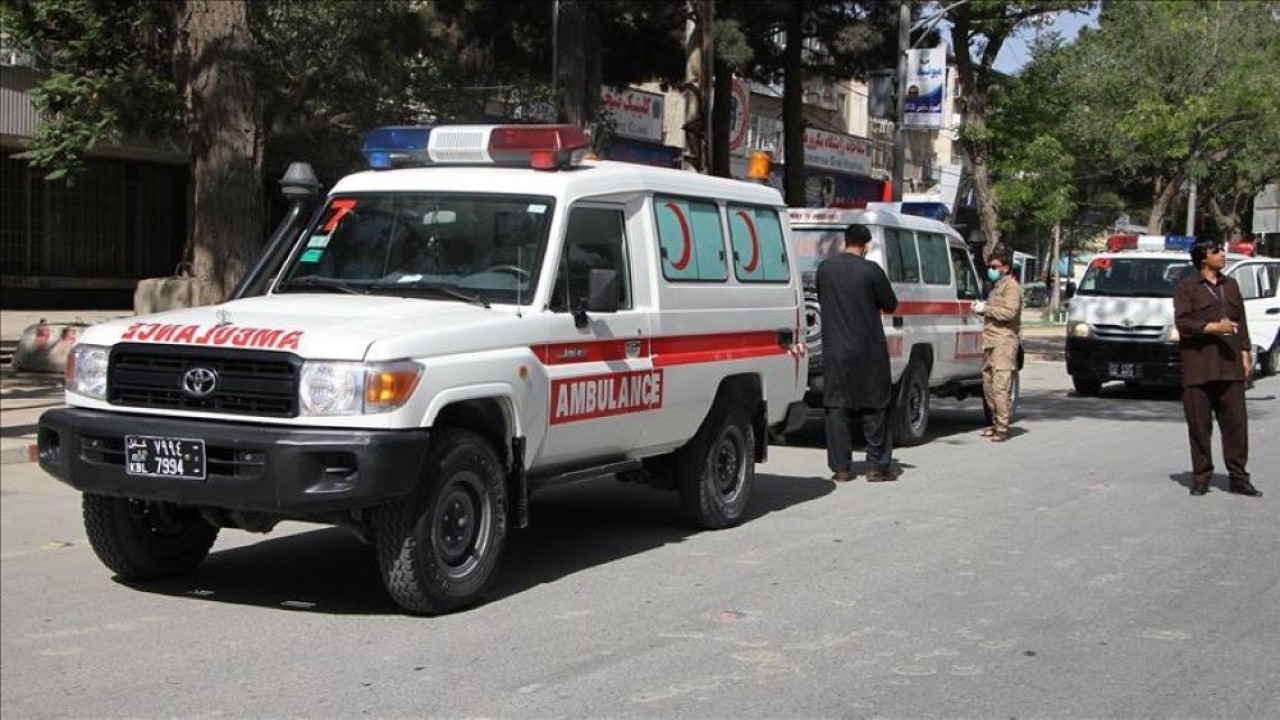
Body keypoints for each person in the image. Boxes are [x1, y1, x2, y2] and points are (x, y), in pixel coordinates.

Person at [1173, 240, 1260, 497]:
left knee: (1236, 425)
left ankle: (1239, 477)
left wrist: (1245, 352)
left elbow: (1241, 322)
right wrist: (1214, 327)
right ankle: (1201, 477)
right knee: (1199, 426)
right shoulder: (1187, 287)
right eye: (1216, 252)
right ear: (1203, 258)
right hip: (1198, 367)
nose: (1222, 255)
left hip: (1230, 365)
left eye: (1221, 251)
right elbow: (1184, 324)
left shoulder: (1230, 285)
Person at [815, 223, 900, 483]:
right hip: (868, 350)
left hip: (836, 349)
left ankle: (841, 468)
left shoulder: (825, 269)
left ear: (844, 241)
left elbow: (821, 298)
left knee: (837, 408)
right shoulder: (871, 270)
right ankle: (876, 467)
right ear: (865, 245)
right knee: (875, 406)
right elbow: (890, 304)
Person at [972, 244, 1022, 442]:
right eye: (991, 266)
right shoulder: (997, 287)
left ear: (1006, 267)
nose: (991, 270)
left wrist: (985, 309)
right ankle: (995, 422)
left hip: (1004, 342)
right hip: (991, 341)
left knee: (1001, 386)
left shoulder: (1012, 288)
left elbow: (1009, 313)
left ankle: (1003, 426)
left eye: (995, 266)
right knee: (989, 386)